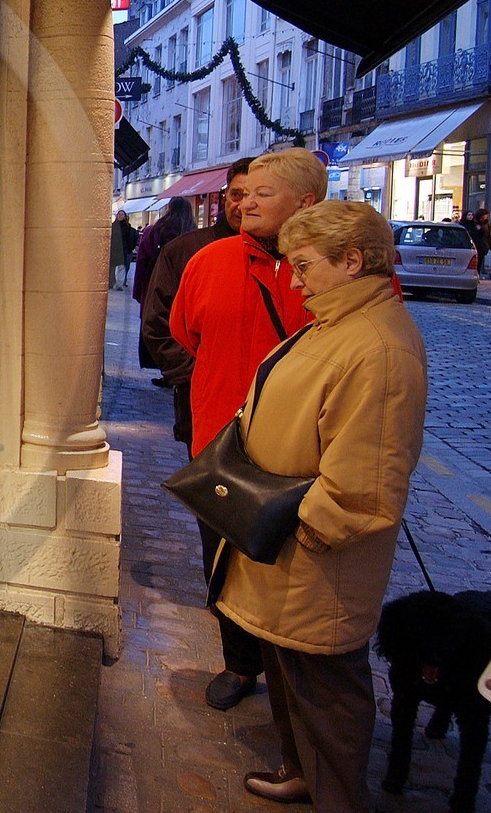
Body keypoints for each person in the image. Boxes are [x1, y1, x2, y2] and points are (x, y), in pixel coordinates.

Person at [223, 200, 427, 810]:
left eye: (305, 264)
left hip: (314, 556)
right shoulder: (339, 321)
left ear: (353, 261)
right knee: (296, 680)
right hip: (285, 545)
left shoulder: (378, 346)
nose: (294, 277)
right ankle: (302, 772)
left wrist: (303, 534)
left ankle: (336, 796)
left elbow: (366, 480)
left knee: (328, 691)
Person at [169, 147, 324, 710]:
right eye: (243, 192)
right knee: (223, 557)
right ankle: (239, 663)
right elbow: (185, 333)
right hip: (222, 440)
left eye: (263, 193)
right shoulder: (208, 262)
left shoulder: (335, 268)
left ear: (306, 202)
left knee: (296, 569)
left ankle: (296, 678)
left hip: (303, 452)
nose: (244, 201)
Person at [142, 158, 252, 447]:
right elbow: (156, 322)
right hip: (201, 404)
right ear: (225, 196)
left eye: (254, 195)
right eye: (236, 194)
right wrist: (194, 374)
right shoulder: (186, 251)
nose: (242, 205)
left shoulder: (288, 259)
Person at [131, 196, 196, 375]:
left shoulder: (155, 231)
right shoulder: (192, 234)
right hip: (182, 287)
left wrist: (138, 292)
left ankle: (163, 367)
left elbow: (142, 262)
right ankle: (176, 369)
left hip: (154, 283)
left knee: (157, 322)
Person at [109, 209, 139, 289]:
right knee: (112, 267)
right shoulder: (113, 226)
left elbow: (130, 238)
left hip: (123, 250)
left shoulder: (128, 227)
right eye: (119, 214)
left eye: (122, 214)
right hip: (114, 249)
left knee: (121, 267)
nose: (120, 216)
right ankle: (111, 282)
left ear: (125, 216)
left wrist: (130, 247)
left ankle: (119, 284)